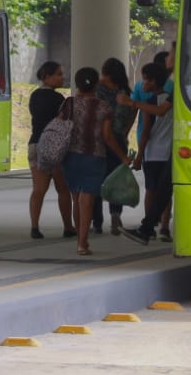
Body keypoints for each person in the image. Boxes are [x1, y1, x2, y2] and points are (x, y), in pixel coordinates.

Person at [61, 66, 128, 256]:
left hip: (71, 157)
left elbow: (60, 126)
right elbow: (107, 136)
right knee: (87, 200)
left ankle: (79, 239)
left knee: (76, 198)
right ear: (96, 84)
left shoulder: (69, 104)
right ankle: (83, 243)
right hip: (94, 157)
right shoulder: (103, 107)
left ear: (77, 83)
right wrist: (123, 156)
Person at [121, 62, 174, 246]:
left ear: (153, 81)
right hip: (170, 153)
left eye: (145, 79)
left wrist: (139, 156)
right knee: (166, 193)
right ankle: (165, 227)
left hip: (153, 154)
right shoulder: (173, 99)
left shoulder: (149, 104)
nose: (143, 83)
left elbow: (145, 133)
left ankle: (148, 228)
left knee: (151, 191)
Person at [28, 60, 74, 240]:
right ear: (47, 77)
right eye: (59, 74)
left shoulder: (34, 96)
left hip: (35, 143)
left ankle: (34, 226)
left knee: (38, 189)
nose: (62, 78)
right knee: (63, 188)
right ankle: (68, 227)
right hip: (54, 146)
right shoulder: (59, 100)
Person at [92, 57, 137, 236]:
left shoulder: (99, 90)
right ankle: (115, 217)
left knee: (96, 181)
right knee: (116, 180)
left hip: (101, 140)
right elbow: (133, 113)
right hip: (120, 139)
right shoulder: (125, 91)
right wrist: (125, 133)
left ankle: (97, 222)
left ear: (107, 74)